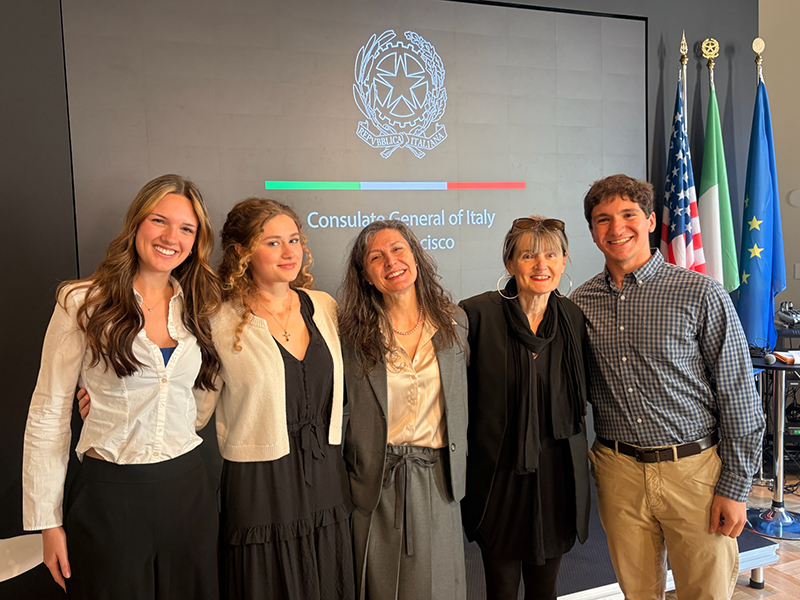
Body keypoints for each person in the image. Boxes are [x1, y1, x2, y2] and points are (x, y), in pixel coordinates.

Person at [22, 174, 222, 599]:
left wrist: (152, 410)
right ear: (136, 224)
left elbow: (202, 390)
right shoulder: (83, 303)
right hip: (109, 499)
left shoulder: (203, 305)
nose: (172, 237)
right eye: (159, 221)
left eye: (187, 229)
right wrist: (47, 522)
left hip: (189, 492)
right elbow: (48, 414)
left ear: (197, 240)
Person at [571, 174, 765, 600]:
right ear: (591, 231)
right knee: (637, 593)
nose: (616, 228)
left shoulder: (701, 294)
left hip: (694, 471)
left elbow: (738, 395)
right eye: (602, 219)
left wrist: (735, 488)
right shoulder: (579, 304)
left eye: (627, 215)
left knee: (705, 593)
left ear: (651, 220)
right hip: (618, 474)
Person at [195, 198, 353, 600]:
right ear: (240, 253)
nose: (289, 252)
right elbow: (193, 409)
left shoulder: (324, 306)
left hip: (326, 476)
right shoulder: (217, 318)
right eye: (273, 243)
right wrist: (120, 402)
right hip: (260, 484)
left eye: (295, 240)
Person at [459, 216, 590, 600]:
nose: (541, 265)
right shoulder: (476, 314)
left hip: (557, 475)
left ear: (564, 261)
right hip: (499, 475)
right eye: (528, 255)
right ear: (510, 263)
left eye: (551, 254)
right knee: (499, 589)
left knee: (546, 589)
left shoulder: (574, 318)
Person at [338, 220, 468, 600]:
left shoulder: (454, 322)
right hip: (376, 481)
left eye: (398, 250)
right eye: (376, 257)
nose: (390, 261)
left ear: (415, 257)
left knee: (439, 586)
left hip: (438, 479)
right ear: (365, 275)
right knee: (377, 586)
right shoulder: (351, 334)